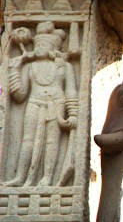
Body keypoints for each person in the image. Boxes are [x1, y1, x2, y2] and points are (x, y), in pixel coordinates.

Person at [5, 22, 78, 187]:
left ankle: (47, 178)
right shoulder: (30, 67)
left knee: (52, 142)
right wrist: (14, 71)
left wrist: (72, 113)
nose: (39, 47)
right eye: (37, 44)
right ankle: (20, 177)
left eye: (44, 44)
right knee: (27, 140)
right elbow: (20, 95)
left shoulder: (64, 66)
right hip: (34, 103)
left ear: (53, 47)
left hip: (56, 104)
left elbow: (71, 91)